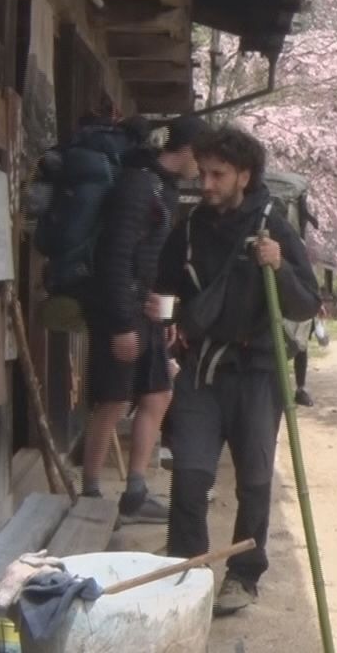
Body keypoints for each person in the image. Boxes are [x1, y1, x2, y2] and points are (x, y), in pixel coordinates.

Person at [158, 126, 320, 617]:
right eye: (203, 173)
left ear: (243, 176)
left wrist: (279, 267)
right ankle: (188, 572)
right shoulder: (190, 228)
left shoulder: (273, 226)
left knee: (253, 480)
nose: (205, 184)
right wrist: (165, 330)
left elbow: (306, 303)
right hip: (202, 370)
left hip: (258, 372)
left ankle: (244, 575)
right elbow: (162, 285)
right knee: (190, 476)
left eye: (218, 175)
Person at [81, 115, 205, 525]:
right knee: (113, 400)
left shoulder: (164, 187)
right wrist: (120, 324)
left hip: (146, 308)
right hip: (119, 308)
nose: (203, 170)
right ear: (188, 149)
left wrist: (164, 308)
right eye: (202, 158)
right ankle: (90, 491)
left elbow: (154, 257)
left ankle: (135, 491)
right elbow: (115, 257)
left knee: (158, 393)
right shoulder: (138, 185)